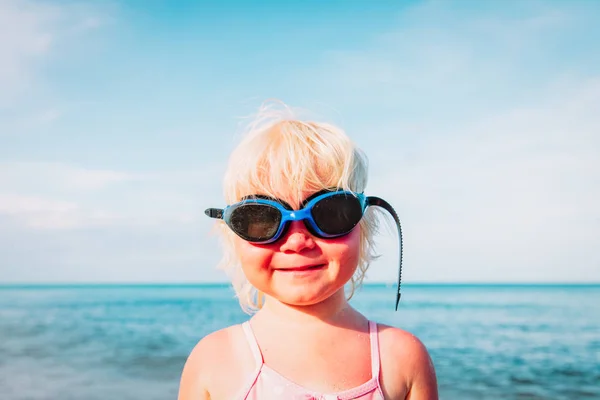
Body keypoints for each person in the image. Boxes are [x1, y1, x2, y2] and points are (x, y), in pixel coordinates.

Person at [178, 101, 438, 400]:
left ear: (365, 226)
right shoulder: (214, 361)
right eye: (262, 219)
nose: (297, 240)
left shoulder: (402, 358)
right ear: (233, 234)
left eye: (330, 213)